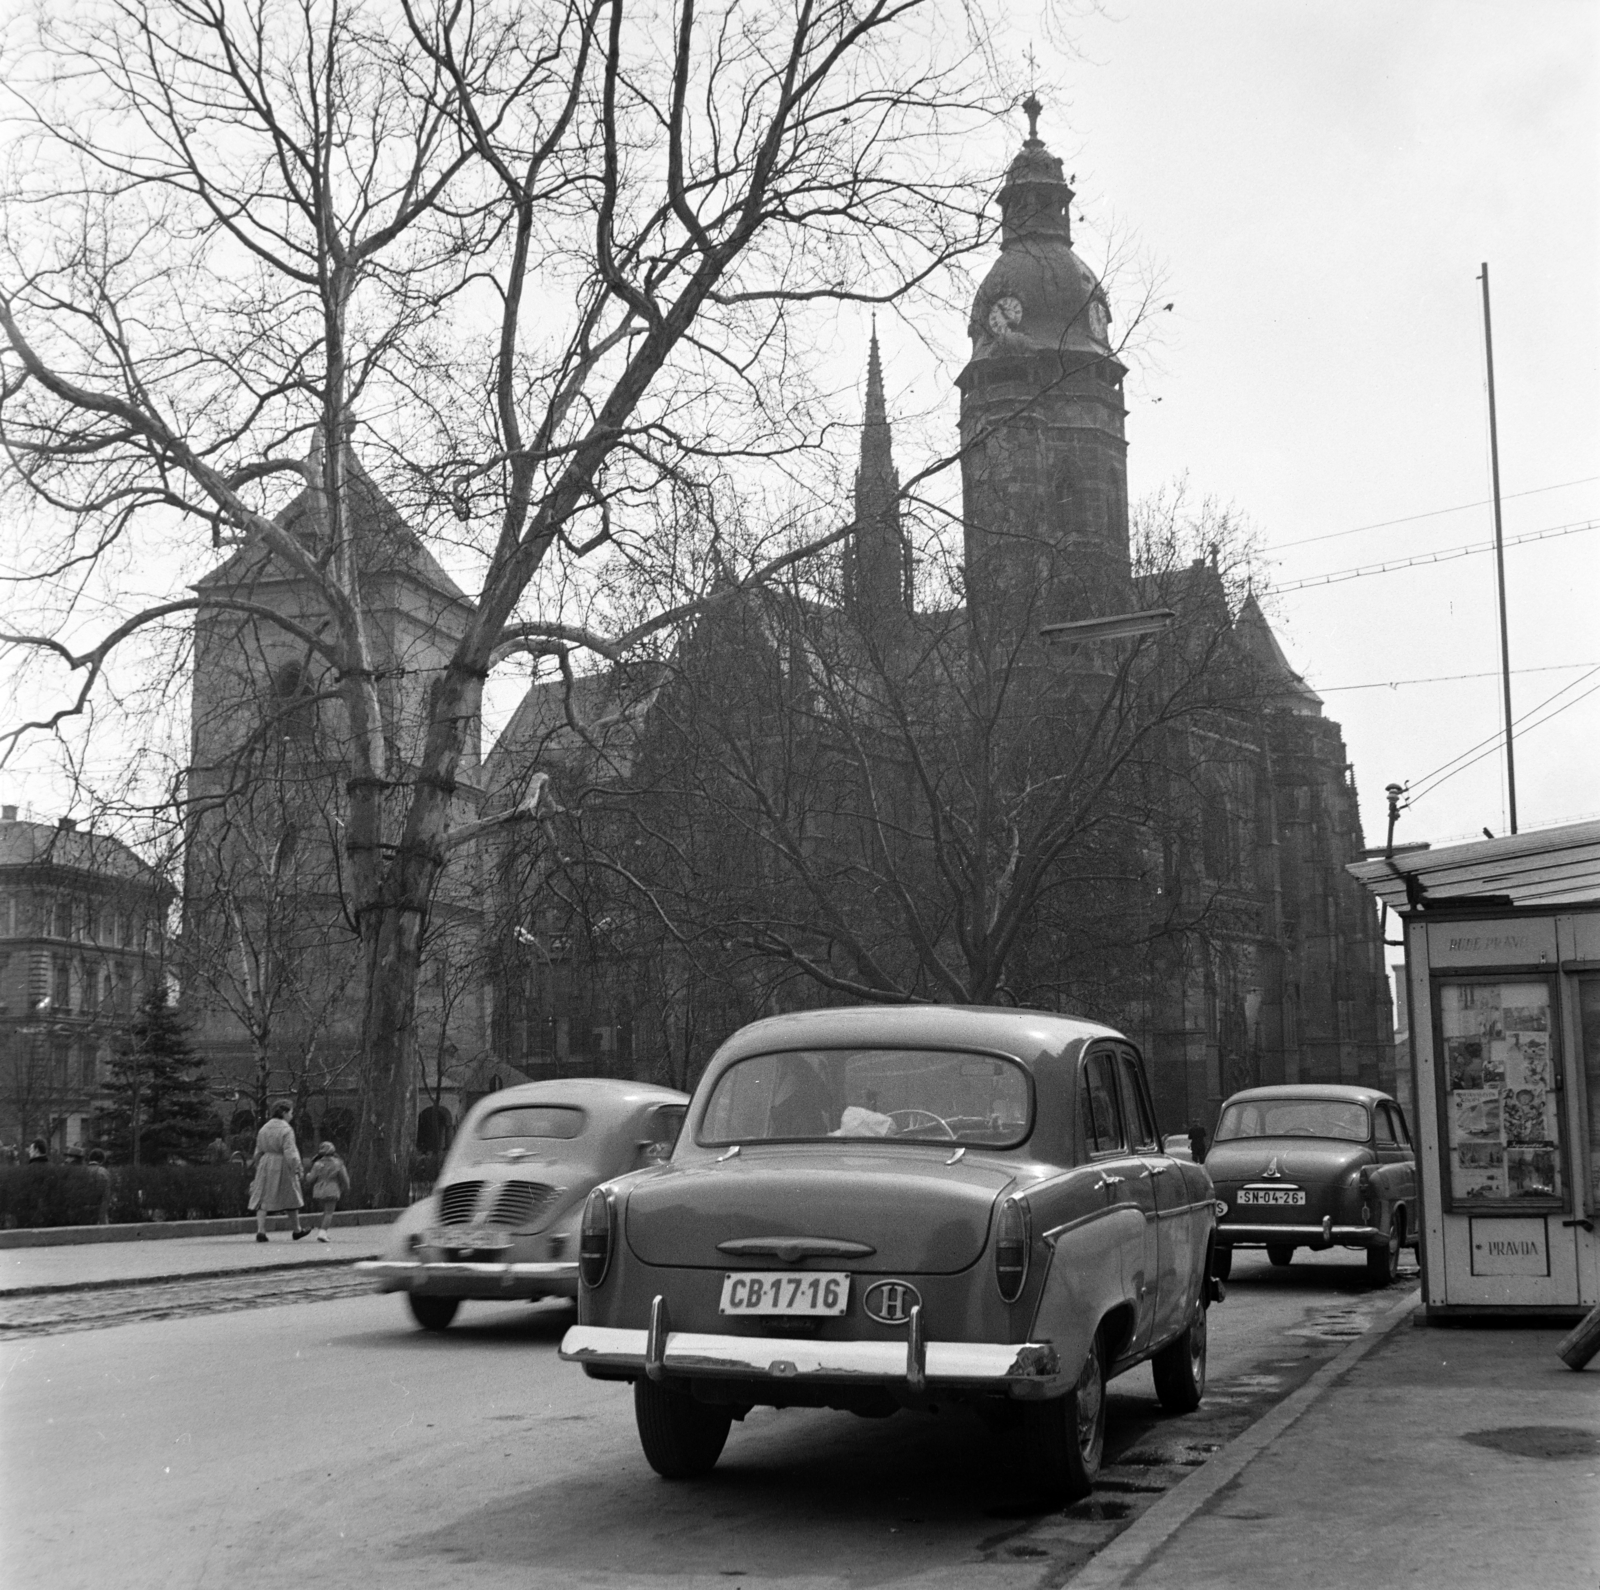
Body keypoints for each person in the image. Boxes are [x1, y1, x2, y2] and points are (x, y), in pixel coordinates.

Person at [249, 1102, 308, 1241]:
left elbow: (258, 1150)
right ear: (284, 1113)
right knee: (290, 1196)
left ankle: (261, 1230)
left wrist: (258, 1165)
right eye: (291, 1113)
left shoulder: (264, 1128)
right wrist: (298, 1169)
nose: (291, 1116)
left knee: (262, 1198)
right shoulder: (286, 1129)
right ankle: (297, 1229)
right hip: (282, 1164)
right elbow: (290, 1152)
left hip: (265, 1163)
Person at [303, 1140, 350, 1242]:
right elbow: (345, 1178)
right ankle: (323, 1233)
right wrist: (347, 1187)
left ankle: (322, 1230)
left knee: (325, 1212)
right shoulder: (338, 1163)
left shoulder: (317, 1164)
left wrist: (307, 1176)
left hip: (319, 1190)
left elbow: (310, 1178)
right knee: (329, 1212)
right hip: (332, 1189)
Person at [86, 1148, 112, 1224]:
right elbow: (106, 1195)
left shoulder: (83, 1171)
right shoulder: (103, 1172)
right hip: (99, 1209)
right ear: (102, 1160)